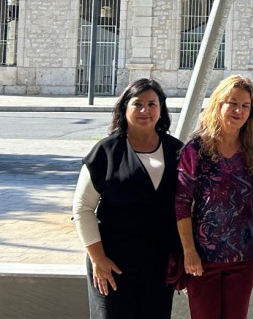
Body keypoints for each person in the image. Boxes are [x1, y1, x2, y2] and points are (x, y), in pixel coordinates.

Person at [72, 78, 183, 319]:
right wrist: (98, 259)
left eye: (152, 104)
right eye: (138, 104)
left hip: (158, 264)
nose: (145, 110)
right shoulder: (105, 152)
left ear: (161, 109)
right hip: (112, 264)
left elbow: (187, 206)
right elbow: (82, 209)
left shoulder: (178, 151)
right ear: (124, 108)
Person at [176, 74, 253, 319]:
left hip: (243, 258)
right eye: (232, 103)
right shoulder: (196, 149)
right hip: (204, 258)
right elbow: (182, 203)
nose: (239, 110)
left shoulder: (252, 149)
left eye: (245, 105)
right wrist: (189, 251)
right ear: (218, 105)